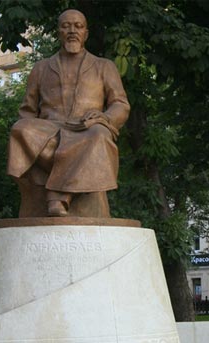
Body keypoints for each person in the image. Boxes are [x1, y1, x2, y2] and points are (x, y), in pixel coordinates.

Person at [7, 9, 130, 218]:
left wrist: (105, 118)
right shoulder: (41, 68)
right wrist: (32, 129)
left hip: (86, 129)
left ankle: (58, 194)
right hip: (49, 130)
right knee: (20, 129)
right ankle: (63, 188)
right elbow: (27, 111)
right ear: (58, 32)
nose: (72, 31)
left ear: (86, 33)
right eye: (66, 26)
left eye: (78, 26)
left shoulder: (104, 66)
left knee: (100, 135)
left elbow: (120, 104)